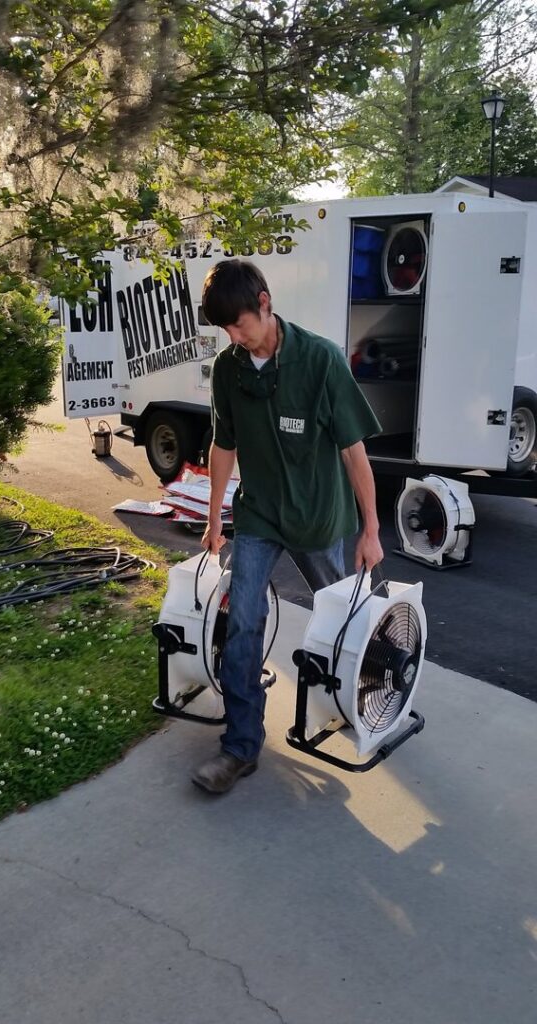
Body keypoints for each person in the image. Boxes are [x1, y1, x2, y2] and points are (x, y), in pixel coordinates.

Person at [193, 258, 383, 794]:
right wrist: (214, 517)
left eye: (240, 324)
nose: (235, 337)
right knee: (243, 620)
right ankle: (239, 748)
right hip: (260, 516)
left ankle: (365, 700)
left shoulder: (320, 360)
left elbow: (354, 452)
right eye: (226, 329)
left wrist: (370, 530)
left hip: (321, 517)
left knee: (347, 621)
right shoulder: (229, 369)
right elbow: (223, 444)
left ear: (265, 302)